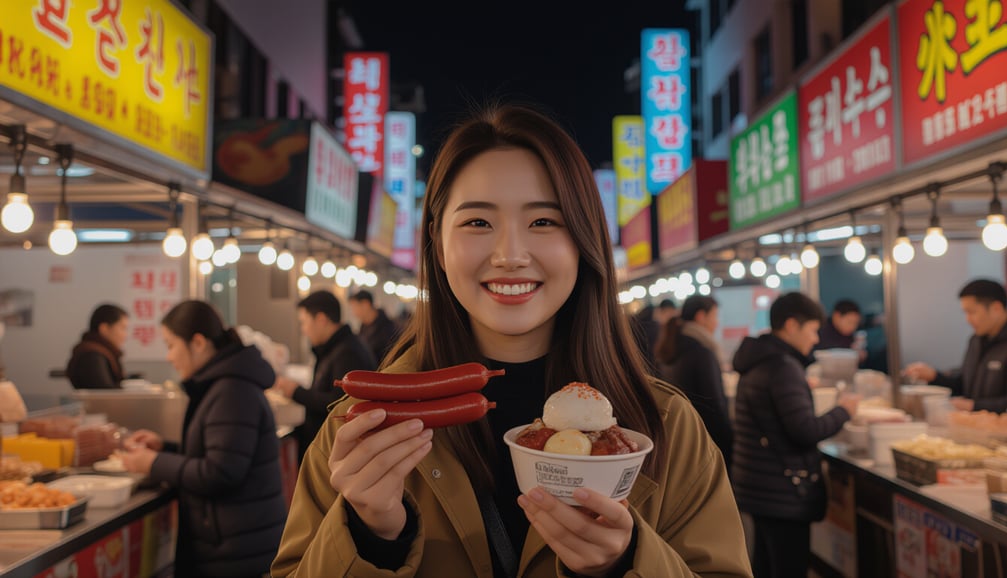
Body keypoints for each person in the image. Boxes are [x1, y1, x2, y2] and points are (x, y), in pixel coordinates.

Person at [272, 104, 751, 577]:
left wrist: (626, 563)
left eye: (543, 221)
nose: (510, 256)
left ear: (583, 241)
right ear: (438, 244)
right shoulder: (360, 428)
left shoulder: (666, 427)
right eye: (478, 222)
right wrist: (368, 537)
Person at [120, 301, 286, 578]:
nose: (169, 357)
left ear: (198, 343)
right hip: (235, 546)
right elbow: (218, 451)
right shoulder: (224, 383)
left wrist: (154, 463)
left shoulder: (232, 389)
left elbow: (221, 472)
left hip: (237, 555)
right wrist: (166, 448)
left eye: (171, 345)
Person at [731, 292, 859, 578]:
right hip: (782, 491)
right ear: (791, 325)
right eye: (813, 330)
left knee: (765, 565)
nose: (816, 339)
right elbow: (805, 430)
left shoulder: (760, 359)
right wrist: (844, 411)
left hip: (759, 485)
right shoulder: (783, 367)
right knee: (787, 569)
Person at [273, 290, 376, 457]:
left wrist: (296, 391)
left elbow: (339, 406)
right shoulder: (336, 348)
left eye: (304, 322)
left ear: (321, 319)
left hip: (337, 453)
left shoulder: (348, 353)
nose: (303, 330)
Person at [904, 279, 1007, 412]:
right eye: (965, 313)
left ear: (996, 308)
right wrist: (934, 376)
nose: (968, 319)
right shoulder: (976, 340)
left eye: (972, 312)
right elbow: (964, 384)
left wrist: (973, 406)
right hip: (975, 427)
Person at [654, 295, 733, 470]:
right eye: (714, 316)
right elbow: (714, 404)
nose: (717, 322)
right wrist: (728, 442)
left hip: (679, 437)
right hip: (705, 441)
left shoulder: (672, 344)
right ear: (700, 317)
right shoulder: (701, 351)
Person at [66, 304, 129, 389]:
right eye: (123, 328)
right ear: (104, 328)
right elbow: (104, 393)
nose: (125, 335)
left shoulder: (98, 352)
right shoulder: (92, 356)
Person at [347, 289, 400, 365]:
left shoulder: (387, 328)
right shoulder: (363, 326)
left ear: (366, 304)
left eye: (354, 307)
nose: (353, 312)